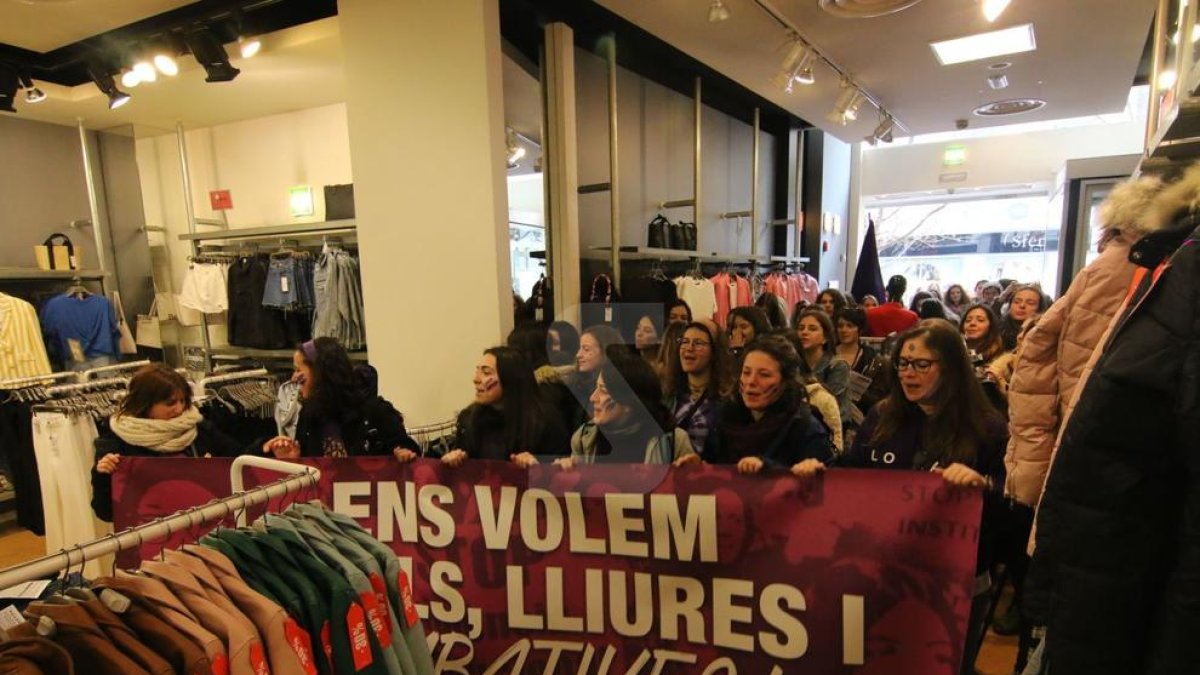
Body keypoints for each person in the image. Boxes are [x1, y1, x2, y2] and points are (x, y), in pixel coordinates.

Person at [1022, 161, 1200, 675]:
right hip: (1118, 532)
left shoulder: (1144, 268)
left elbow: (1079, 398)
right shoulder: (1137, 268)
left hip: (1115, 527)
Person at [800, 323, 1008, 674]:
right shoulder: (882, 417)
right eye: (902, 364)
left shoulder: (987, 428)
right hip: (885, 576)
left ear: (952, 367)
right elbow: (853, 477)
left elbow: (1015, 503)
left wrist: (983, 485)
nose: (908, 373)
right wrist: (820, 472)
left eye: (921, 364)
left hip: (956, 585)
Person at [92, 364, 244, 521]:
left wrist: (264, 447)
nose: (179, 409)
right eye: (170, 403)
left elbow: (239, 459)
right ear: (145, 403)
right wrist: (103, 475)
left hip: (204, 528)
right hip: (149, 536)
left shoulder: (197, 428)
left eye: (183, 401)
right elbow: (106, 512)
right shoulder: (115, 443)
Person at [262, 337, 420, 459]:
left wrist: (403, 454)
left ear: (320, 373)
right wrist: (295, 458)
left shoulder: (376, 411)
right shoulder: (310, 413)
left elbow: (410, 451)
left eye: (298, 370)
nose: (294, 377)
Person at [703, 334, 834, 474]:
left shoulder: (805, 428)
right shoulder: (724, 418)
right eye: (746, 372)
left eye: (764, 375)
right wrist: (695, 467)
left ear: (785, 382)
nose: (751, 382)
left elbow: (826, 484)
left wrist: (768, 468)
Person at [556, 349, 697, 468]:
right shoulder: (584, 438)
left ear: (629, 401)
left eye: (603, 390)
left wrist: (694, 474)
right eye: (596, 388)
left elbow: (693, 493)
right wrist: (564, 472)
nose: (593, 398)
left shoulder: (673, 441)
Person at [440, 346, 569, 468]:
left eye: (486, 372)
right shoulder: (468, 419)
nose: (476, 379)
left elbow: (563, 472)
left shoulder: (545, 420)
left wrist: (539, 465)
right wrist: (455, 460)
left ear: (510, 378)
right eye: (477, 371)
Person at [662, 321, 729, 453]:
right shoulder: (668, 395)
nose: (689, 348)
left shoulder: (726, 400)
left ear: (714, 352)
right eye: (685, 341)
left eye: (698, 343)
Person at [794, 309, 852, 427]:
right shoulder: (793, 363)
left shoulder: (837, 366)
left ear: (825, 338)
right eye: (801, 328)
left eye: (812, 329)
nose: (804, 332)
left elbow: (828, 405)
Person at [834, 307, 889, 418]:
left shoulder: (872, 360)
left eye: (850, 326)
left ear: (860, 329)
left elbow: (879, 397)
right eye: (840, 326)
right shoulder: (828, 354)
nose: (844, 330)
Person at [999, 284, 1046, 350]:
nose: (1022, 305)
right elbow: (981, 356)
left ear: (1040, 309)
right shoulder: (996, 329)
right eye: (1017, 302)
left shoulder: (1045, 335)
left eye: (1030, 303)